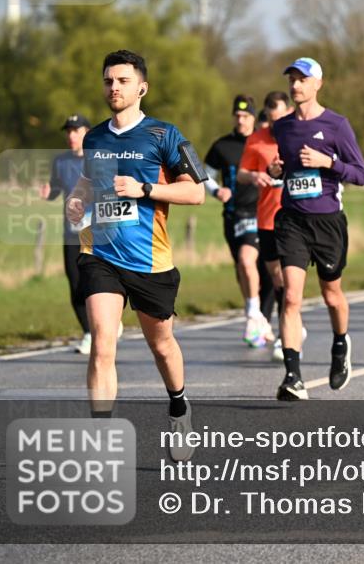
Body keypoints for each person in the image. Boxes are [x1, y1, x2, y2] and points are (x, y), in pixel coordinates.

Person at [65, 49, 206, 461]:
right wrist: (77, 202)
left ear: (141, 87)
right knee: (102, 342)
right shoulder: (94, 138)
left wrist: (145, 189)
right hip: (101, 254)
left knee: (162, 346)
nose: (114, 87)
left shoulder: (165, 135)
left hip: (150, 262)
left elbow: (196, 192)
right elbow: (88, 184)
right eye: (108, 80)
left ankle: (179, 407)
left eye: (123, 81)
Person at [268, 57, 364, 400]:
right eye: (292, 79)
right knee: (292, 296)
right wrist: (276, 168)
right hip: (292, 220)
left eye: (302, 79)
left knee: (331, 295)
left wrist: (329, 163)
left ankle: (341, 344)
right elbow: (282, 169)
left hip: (328, 222)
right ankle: (293, 377)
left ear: (317, 84)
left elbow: (361, 174)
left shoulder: (336, 125)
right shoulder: (281, 128)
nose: (296, 85)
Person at [238, 90, 306, 361]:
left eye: (280, 118)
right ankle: (293, 325)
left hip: (295, 217)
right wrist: (255, 175)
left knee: (289, 280)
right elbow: (242, 174)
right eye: (270, 119)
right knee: (277, 278)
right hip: (266, 219)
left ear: (289, 111)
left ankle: (286, 336)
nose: (275, 124)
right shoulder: (256, 139)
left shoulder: (301, 133)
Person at [204, 95, 272, 348]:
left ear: (254, 118)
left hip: (261, 212)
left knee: (252, 262)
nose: (241, 120)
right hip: (233, 215)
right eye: (237, 116)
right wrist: (216, 191)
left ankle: (255, 315)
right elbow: (205, 174)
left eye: (246, 116)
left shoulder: (263, 142)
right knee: (243, 268)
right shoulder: (222, 145)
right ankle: (260, 321)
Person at [41, 114, 94, 354]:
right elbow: (54, 190)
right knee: (75, 285)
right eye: (68, 131)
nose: (71, 135)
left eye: (76, 130)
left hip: (97, 232)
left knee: (97, 281)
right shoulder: (60, 162)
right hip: (71, 233)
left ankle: (106, 324)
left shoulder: (98, 159)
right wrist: (47, 192)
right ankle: (89, 332)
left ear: (87, 132)